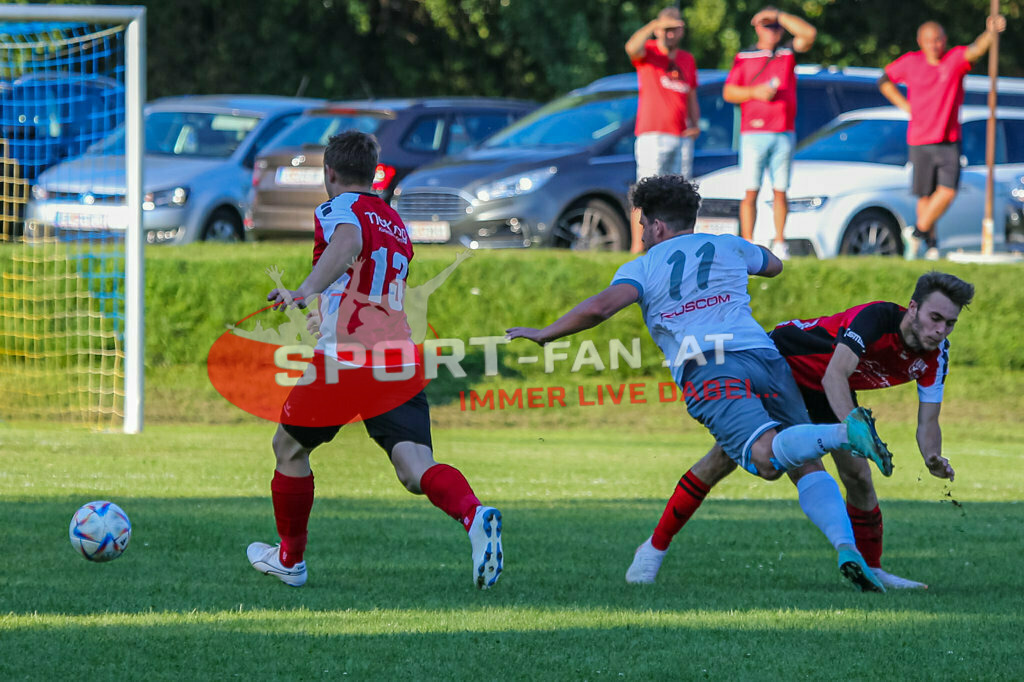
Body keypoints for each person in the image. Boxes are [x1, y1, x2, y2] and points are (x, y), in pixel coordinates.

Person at [507, 174, 892, 593]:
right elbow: (774, 264)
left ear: (656, 226)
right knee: (802, 461)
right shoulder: (727, 245)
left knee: (765, 460)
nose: (641, 234)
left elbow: (601, 308)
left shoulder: (643, 265)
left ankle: (844, 432)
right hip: (765, 357)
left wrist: (546, 333)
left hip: (709, 366)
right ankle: (845, 549)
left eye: (641, 226)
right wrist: (744, 256)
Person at [246, 131, 503, 589]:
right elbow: (364, 278)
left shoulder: (339, 207)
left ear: (330, 173)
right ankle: (474, 514)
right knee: (415, 468)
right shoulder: (395, 222)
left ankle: (290, 559)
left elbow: (346, 244)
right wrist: (324, 308)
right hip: (397, 358)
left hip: (346, 357)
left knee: (288, 448)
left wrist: (305, 291)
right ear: (374, 174)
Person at [626, 271, 974, 590]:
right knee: (725, 459)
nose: (940, 329)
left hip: (823, 387)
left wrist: (932, 456)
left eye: (950, 323)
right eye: (935, 318)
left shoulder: (936, 355)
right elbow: (835, 374)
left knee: (858, 476)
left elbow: (928, 421)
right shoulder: (878, 318)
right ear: (913, 308)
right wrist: (854, 429)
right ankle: (653, 549)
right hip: (780, 362)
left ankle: (872, 568)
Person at [879, 16, 1007, 260]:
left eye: (937, 40)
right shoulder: (911, 62)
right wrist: (905, 105)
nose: (933, 45)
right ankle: (927, 244)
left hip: (948, 138)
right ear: (920, 42)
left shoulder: (954, 59)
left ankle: (917, 232)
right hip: (919, 138)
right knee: (925, 195)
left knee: (947, 191)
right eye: (928, 41)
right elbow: (884, 80)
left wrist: (990, 33)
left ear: (944, 40)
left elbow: (976, 49)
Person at [723, 6, 817, 260]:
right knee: (750, 191)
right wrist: (754, 92)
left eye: (775, 27)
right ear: (756, 28)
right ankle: (747, 242)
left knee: (780, 190)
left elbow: (809, 34)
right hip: (753, 133)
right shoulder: (744, 56)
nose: (772, 31)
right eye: (767, 26)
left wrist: (780, 16)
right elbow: (729, 92)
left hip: (782, 131)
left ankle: (779, 242)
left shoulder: (786, 54)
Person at [624, 5, 700, 253]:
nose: (669, 34)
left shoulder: (687, 59)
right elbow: (631, 47)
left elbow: (690, 95)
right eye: (665, 29)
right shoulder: (649, 53)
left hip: (680, 135)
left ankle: (676, 245)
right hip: (652, 134)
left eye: (674, 29)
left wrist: (695, 124)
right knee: (645, 190)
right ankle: (638, 247)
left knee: (680, 193)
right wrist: (654, 25)